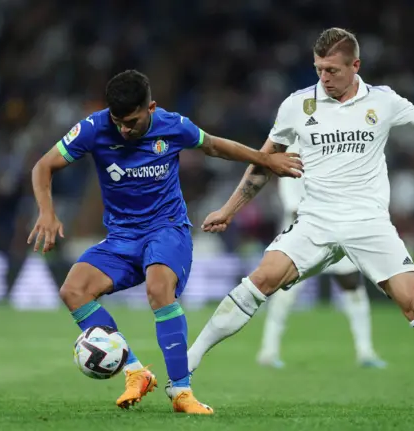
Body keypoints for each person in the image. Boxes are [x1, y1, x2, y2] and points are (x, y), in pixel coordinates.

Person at [187, 28, 414, 416]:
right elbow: (263, 164)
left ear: (356, 66)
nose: (324, 78)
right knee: (259, 280)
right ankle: (185, 367)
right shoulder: (297, 105)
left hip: (369, 223)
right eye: (319, 69)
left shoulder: (384, 101)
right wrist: (228, 210)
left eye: (333, 70)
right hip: (315, 221)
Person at [27, 70, 302, 414]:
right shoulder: (94, 128)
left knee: (158, 288)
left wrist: (266, 159)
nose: (124, 129)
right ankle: (135, 371)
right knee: (73, 290)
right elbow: (43, 166)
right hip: (122, 237)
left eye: (132, 121)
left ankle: (181, 391)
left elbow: (216, 145)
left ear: (151, 108)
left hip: (166, 229)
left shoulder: (173, 125)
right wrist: (47, 212)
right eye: (118, 121)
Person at [257, 145, 386, 369]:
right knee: (285, 290)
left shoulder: (335, 149)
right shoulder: (294, 155)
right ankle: (268, 351)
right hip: (302, 234)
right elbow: (294, 207)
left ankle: (365, 351)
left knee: (352, 284)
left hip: (337, 228)